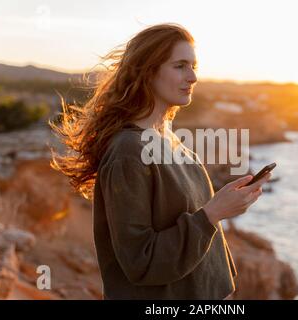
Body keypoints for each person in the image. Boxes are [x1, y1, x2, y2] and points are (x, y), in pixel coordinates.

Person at [49, 23, 271, 300]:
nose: (192, 77)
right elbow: (141, 262)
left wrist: (225, 204)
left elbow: (193, 227)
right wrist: (212, 213)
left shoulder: (170, 140)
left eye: (194, 66)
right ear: (148, 72)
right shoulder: (127, 152)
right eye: (180, 66)